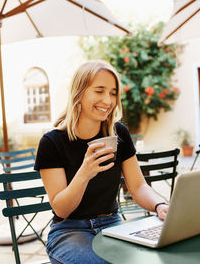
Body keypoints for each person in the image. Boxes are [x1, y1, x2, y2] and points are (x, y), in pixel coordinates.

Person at [34, 60, 169, 264]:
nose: (108, 100)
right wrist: (84, 172)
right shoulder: (52, 142)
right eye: (99, 91)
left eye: (113, 93)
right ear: (79, 93)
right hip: (69, 230)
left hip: (112, 224)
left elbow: (139, 186)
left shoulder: (118, 134)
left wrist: (159, 204)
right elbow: (61, 209)